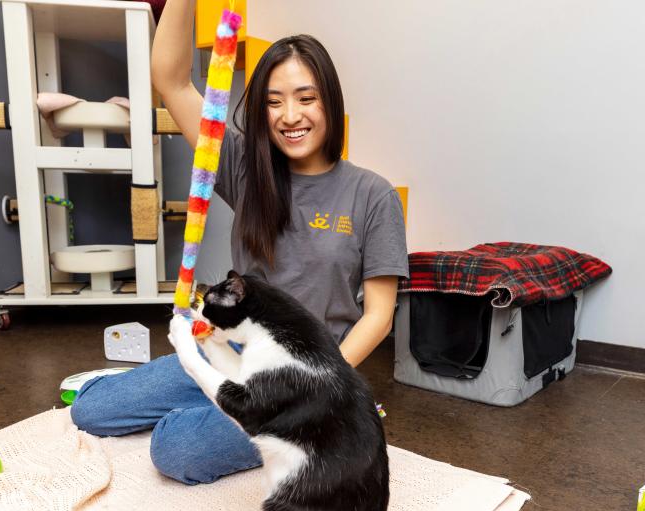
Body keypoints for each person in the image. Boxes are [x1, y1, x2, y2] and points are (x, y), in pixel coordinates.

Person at [70, 0, 408, 484]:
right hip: (225, 349)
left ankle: (296, 420)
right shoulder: (244, 169)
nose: (290, 115)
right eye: (273, 102)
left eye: (305, 98)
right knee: (92, 411)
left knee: (175, 449)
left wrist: (322, 385)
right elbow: (171, 80)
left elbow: (378, 314)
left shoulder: (373, 195)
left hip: (298, 378)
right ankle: (214, 403)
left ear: (329, 101)